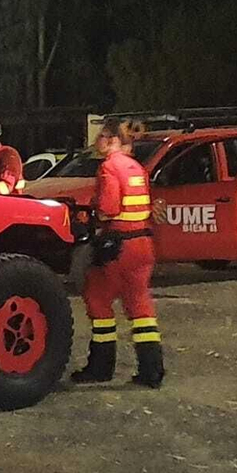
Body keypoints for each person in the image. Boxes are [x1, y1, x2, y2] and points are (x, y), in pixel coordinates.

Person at [72, 117, 165, 387]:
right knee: (140, 305)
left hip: (118, 245)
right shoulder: (136, 167)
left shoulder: (109, 167)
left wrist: (93, 211)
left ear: (112, 139)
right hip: (143, 244)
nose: (97, 141)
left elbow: (108, 209)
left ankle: (101, 367)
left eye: (101, 136)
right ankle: (152, 370)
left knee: (97, 298)